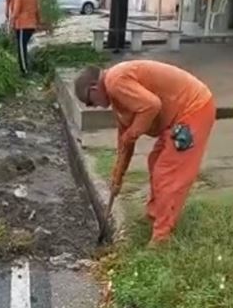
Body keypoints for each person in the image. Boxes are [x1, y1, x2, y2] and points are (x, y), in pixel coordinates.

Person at [73, 60, 216, 245]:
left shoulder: (115, 82)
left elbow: (151, 106)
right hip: (178, 116)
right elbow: (125, 143)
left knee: (166, 173)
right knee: (155, 161)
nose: (94, 107)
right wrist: (117, 177)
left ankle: (161, 238)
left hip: (194, 109)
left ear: (94, 88)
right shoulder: (118, 97)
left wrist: (133, 133)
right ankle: (155, 214)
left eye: (90, 102)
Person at [10, 0, 40, 75]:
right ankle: (26, 66)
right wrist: (39, 23)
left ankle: (24, 70)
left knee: (21, 48)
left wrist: (11, 23)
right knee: (24, 46)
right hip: (31, 25)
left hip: (23, 25)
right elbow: (37, 10)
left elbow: (16, 11)